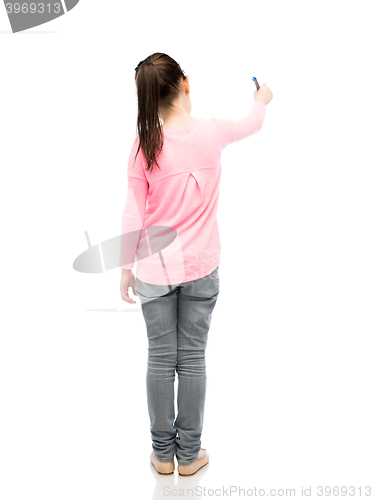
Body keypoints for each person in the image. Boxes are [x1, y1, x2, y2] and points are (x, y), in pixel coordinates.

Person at [119, 53, 273, 475]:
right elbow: (252, 123)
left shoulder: (143, 145)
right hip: (202, 268)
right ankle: (190, 457)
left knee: (158, 358)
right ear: (186, 84)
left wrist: (125, 268)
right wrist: (261, 98)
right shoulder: (212, 132)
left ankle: (161, 456)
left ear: (146, 98)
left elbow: (133, 215)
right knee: (191, 360)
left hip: (153, 270)